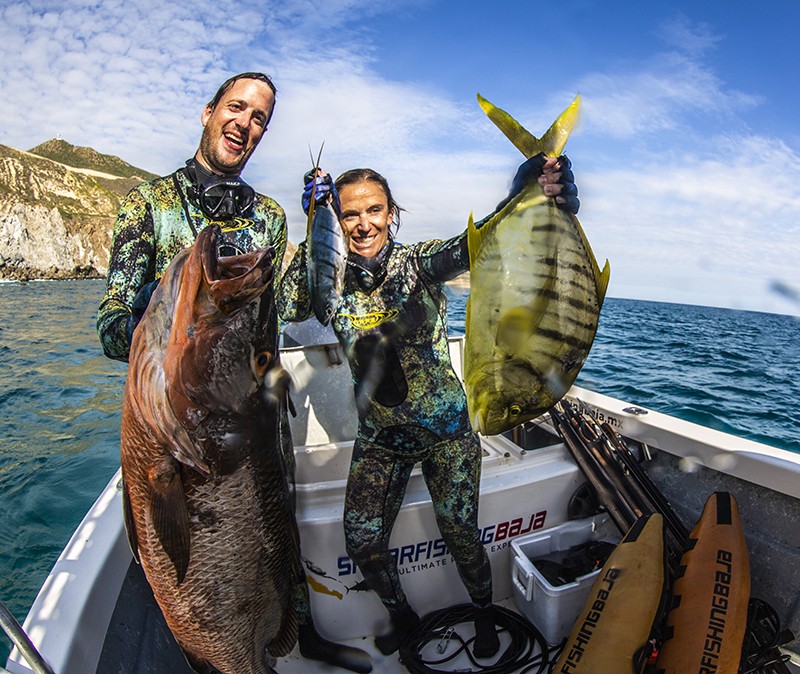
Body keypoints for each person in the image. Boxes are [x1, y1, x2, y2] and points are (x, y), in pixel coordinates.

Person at [97, 72, 370, 674]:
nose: (246, 123)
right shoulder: (147, 206)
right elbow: (113, 326)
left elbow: (280, 317)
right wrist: (163, 310)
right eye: (237, 108)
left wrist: (318, 224)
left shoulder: (268, 217)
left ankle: (302, 639)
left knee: (278, 538)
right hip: (186, 422)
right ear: (208, 112)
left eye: (260, 118)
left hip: (255, 420)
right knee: (195, 561)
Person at [278, 154, 579, 656]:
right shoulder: (327, 273)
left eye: (374, 210)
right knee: (362, 543)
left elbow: (478, 242)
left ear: (392, 212)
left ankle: (483, 614)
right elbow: (290, 310)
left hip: (447, 433)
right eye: (349, 213)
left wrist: (523, 189)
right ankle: (402, 615)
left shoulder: (418, 262)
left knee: (462, 535)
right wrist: (314, 227)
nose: (362, 224)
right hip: (381, 437)